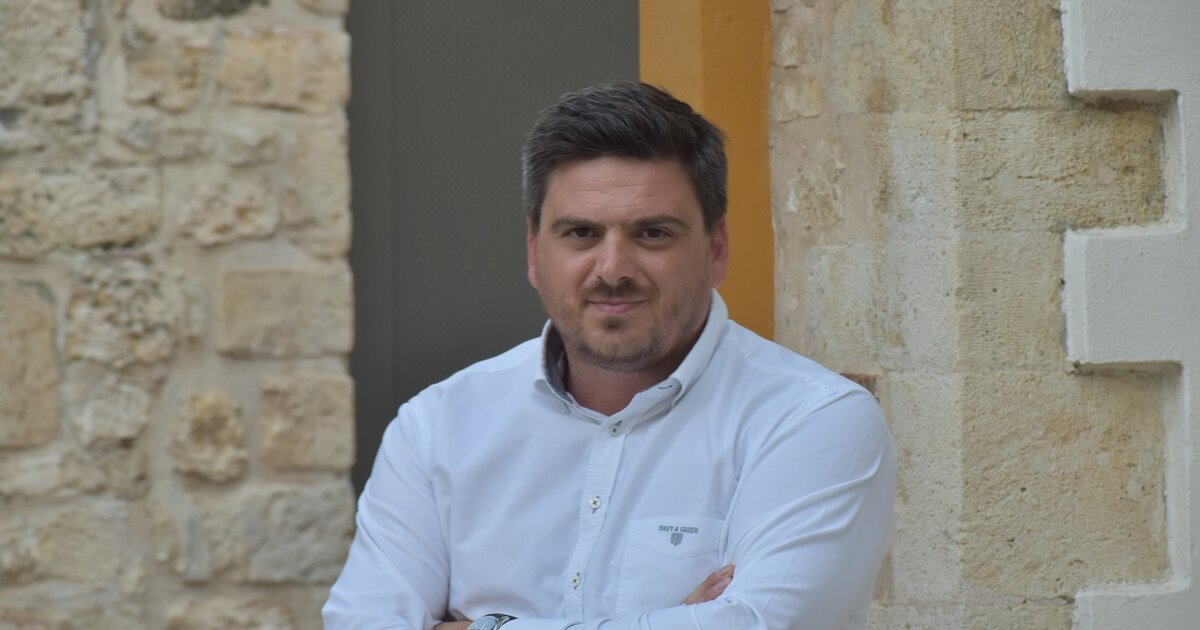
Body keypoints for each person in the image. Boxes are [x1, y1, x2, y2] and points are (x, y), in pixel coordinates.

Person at [324, 81, 895, 630]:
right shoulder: (438, 426)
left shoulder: (809, 420)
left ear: (717, 248)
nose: (613, 269)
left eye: (653, 234)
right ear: (534, 251)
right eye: (580, 234)